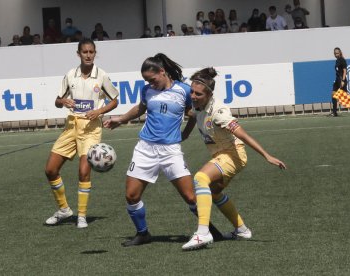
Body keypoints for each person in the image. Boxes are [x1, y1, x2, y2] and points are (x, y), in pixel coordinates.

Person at [103, 53, 214, 250]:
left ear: (162, 72)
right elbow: (140, 109)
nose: (149, 83)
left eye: (152, 79)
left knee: (190, 197)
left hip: (171, 150)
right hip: (145, 149)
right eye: (146, 80)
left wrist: (185, 134)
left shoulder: (184, 90)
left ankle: (206, 230)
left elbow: (194, 112)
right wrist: (119, 120)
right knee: (131, 196)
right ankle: (143, 233)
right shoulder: (147, 90)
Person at [182, 67, 286, 242]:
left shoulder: (219, 113)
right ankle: (242, 230)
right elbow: (192, 114)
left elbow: (242, 134)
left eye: (198, 94)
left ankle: (202, 233)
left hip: (233, 155)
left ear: (209, 94)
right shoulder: (198, 105)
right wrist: (183, 134)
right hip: (221, 155)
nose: (193, 96)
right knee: (214, 193)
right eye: (191, 92)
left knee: (200, 178)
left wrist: (266, 155)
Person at [44, 38, 119, 229]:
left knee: (83, 171)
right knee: (50, 170)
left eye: (91, 52)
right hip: (71, 127)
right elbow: (57, 100)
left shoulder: (101, 76)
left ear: (95, 53)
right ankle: (64, 210)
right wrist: (63, 102)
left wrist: (99, 112)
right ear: (78, 54)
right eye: (84, 52)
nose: (88, 55)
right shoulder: (70, 75)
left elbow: (114, 100)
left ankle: (82, 216)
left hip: (91, 129)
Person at [329, 47, 350, 116]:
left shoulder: (342, 60)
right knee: (333, 95)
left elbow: (344, 71)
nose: (336, 54)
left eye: (337, 53)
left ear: (340, 52)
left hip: (341, 80)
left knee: (346, 97)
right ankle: (334, 112)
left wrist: (343, 81)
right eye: (335, 53)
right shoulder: (337, 60)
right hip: (337, 80)